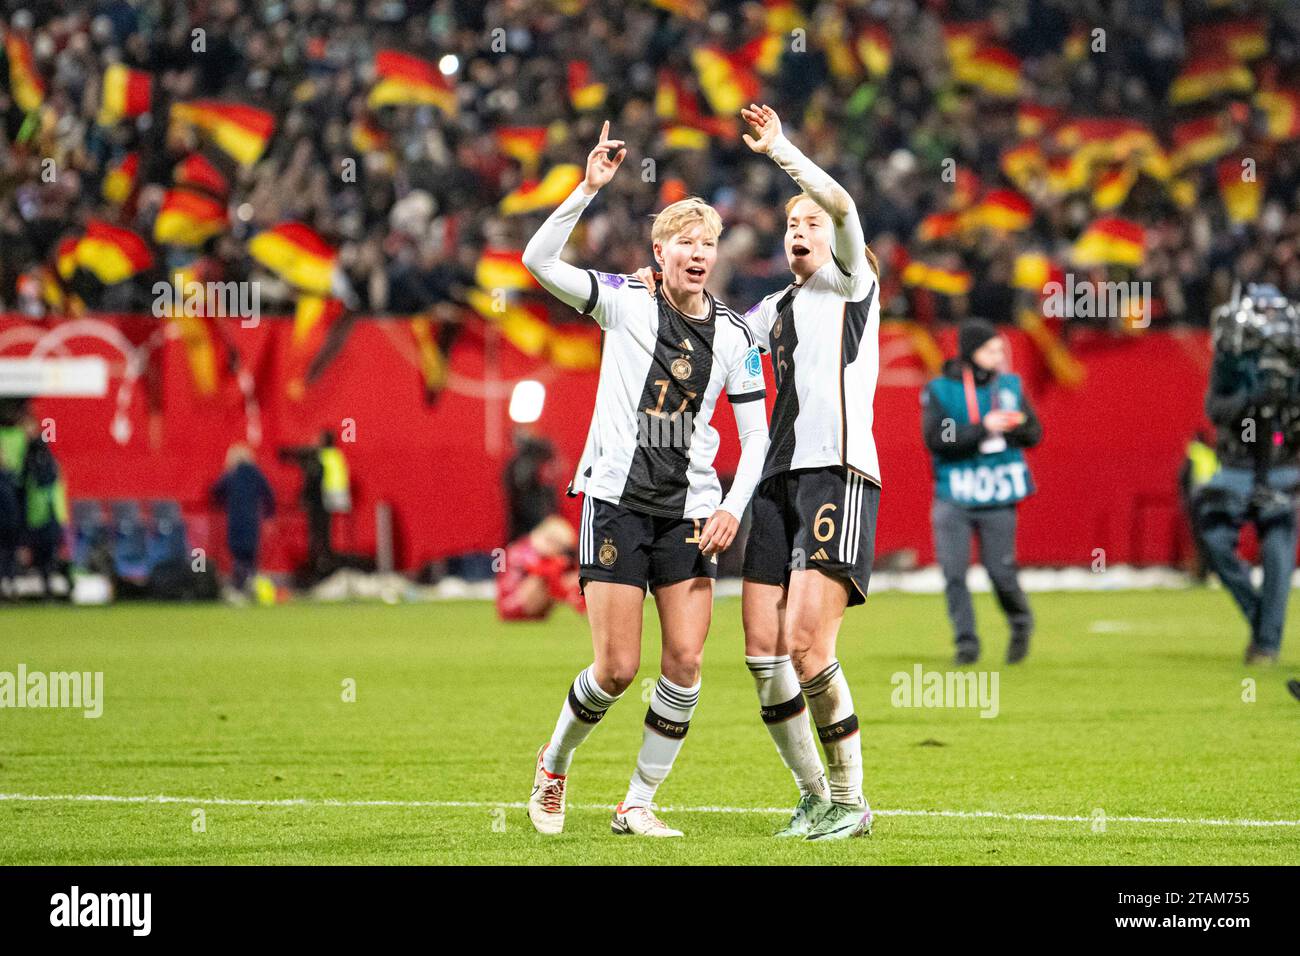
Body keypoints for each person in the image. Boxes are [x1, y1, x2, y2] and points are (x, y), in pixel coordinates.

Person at [520, 121, 769, 838]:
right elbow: (538, 260)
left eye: (708, 244)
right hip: (617, 503)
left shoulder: (736, 337)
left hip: (691, 513)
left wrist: (731, 505)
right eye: (685, 243)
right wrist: (587, 188)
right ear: (660, 253)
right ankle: (555, 761)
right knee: (618, 669)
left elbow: (755, 438)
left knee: (686, 662)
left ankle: (637, 803)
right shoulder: (621, 302)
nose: (698, 253)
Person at [734, 104, 883, 840]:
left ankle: (853, 800)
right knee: (763, 653)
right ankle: (814, 792)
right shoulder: (772, 309)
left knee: (806, 645)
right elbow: (711, 337)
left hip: (838, 475)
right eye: (793, 226)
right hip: (776, 482)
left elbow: (846, 204)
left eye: (812, 224)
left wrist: (781, 150)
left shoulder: (854, 288)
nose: (801, 232)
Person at [921, 319, 1042, 666]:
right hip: (954, 492)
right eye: (992, 350)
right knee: (954, 573)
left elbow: (1035, 434)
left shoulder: (1010, 386)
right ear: (972, 353)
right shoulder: (942, 390)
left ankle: (1020, 623)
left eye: (1000, 349)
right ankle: (966, 644)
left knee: (1000, 570)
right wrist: (981, 428)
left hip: (998, 492)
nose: (1000, 355)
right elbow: (938, 438)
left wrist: (1017, 425)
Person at [1198, 285, 1300, 665]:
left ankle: (1267, 645)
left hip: (1281, 466)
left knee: (1278, 558)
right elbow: (1216, 409)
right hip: (1238, 468)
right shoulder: (1233, 359)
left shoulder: (1294, 358)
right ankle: (1261, 620)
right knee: (1214, 538)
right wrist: (1251, 399)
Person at [211, 444, 276, 592]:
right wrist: (269, 516)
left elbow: (216, 490)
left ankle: (239, 586)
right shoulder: (256, 474)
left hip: (235, 520)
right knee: (251, 555)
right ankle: (252, 584)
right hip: (252, 520)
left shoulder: (230, 475)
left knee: (237, 555)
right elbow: (269, 495)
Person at [496, 515, 584, 622]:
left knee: (569, 578)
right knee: (544, 576)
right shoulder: (522, 551)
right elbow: (543, 572)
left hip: (524, 603)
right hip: (511, 606)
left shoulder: (528, 547)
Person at [21, 419, 70, 599]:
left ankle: (50, 589)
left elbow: (24, 485)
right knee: (51, 557)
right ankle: (60, 586)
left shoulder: (31, 464)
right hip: (54, 516)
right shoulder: (53, 464)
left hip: (39, 517)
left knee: (43, 558)